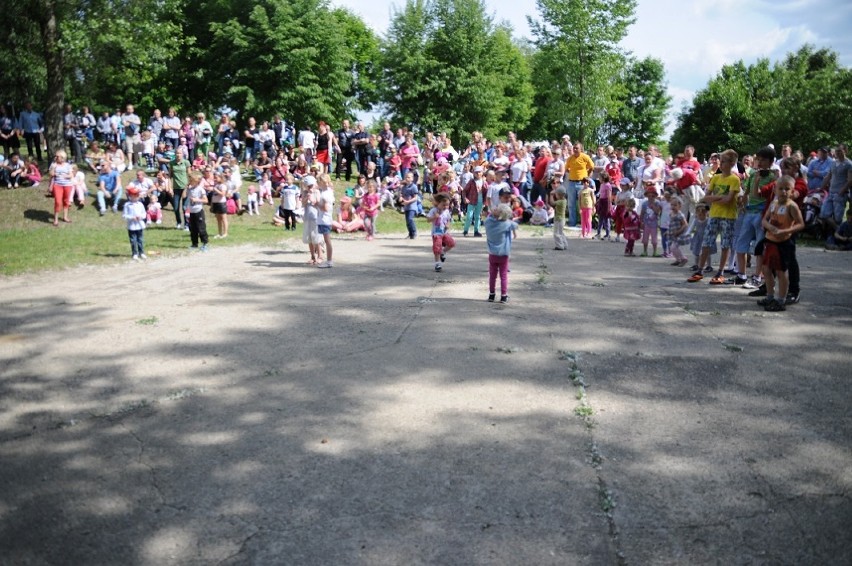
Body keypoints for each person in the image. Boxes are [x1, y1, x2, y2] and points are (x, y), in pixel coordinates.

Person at [688, 149, 741, 284]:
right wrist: (719, 197)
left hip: (728, 216)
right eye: (721, 161)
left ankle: (720, 272)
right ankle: (700, 269)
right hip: (714, 215)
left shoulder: (734, 179)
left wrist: (715, 198)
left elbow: (728, 200)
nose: (721, 164)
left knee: (725, 244)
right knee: (707, 241)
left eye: (724, 161)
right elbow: (706, 197)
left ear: (732, 163)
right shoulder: (716, 178)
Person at [757, 176, 804, 311]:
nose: (783, 192)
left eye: (787, 189)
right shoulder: (774, 203)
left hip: (783, 243)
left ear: (792, 191)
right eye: (781, 189)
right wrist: (769, 227)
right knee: (766, 269)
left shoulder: (792, 206)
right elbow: (765, 219)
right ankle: (770, 296)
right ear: (775, 190)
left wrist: (787, 230)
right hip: (770, 240)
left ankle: (781, 300)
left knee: (780, 271)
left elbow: (800, 224)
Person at [484, 203, 518, 304]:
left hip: (492, 254)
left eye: (497, 209)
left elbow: (489, 217)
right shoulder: (507, 224)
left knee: (492, 275)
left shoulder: (488, 222)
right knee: (503, 275)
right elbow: (515, 225)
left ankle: (491, 294)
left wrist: (491, 214)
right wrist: (508, 219)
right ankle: (503, 296)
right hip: (504, 254)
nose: (494, 208)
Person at [819, 144, 852, 235]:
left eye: (839, 151)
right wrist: (821, 188)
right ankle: (838, 230)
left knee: (838, 218)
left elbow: (850, 180)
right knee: (824, 213)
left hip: (841, 194)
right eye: (836, 151)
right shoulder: (833, 163)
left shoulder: (849, 164)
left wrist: (841, 192)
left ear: (845, 151)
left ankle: (838, 234)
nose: (837, 153)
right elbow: (828, 176)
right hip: (831, 192)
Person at [566, 143, 594, 227]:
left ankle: (584, 223)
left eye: (576, 148)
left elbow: (592, 167)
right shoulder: (570, 158)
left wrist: (587, 176)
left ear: (581, 149)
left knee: (584, 204)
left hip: (582, 184)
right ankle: (572, 222)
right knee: (571, 204)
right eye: (574, 148)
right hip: (571, 183)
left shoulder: (585, 157)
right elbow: (567, 169)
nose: (575, 150)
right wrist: (572, 174)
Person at [425, 193, 455, 272]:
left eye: (447, 205)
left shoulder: (446, 211)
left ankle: (443, 252)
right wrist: (434, 217)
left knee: (451, 243)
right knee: (437, 248)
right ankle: (437, 264)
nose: (445, 207)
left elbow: (448, 219)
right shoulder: (434, 210)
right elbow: (428, 220)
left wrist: (448, 224)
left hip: (444, 233)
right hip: (436, 234)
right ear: (438, 203)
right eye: (443, 205)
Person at [300, 175, 323, 264]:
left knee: (316, 238)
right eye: (308, 186)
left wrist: (313, 198)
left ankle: (320, 255)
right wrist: (306, 197)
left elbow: (317, 202)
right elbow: (303, 203)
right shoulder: (305, 193)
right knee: (309, 238)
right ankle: (312, 256)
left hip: (316, 217)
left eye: (311, 186)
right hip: (307, 217)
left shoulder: (317, 192)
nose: (310, 188)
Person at [49, 150, 75, 226]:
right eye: (56, 156)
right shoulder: (54, 165)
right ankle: (56, 219)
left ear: (62, 158)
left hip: (67, 185)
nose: (56, 158)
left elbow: (71, 175)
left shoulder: (68, 165)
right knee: (58, 202)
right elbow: (51, 175)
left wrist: (65, 176)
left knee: (66, 201)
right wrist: (53, 168)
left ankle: (65, 217)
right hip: (57, 185)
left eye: (57, 156)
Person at [122, 187, 147, 260]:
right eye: (134, 196)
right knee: (133, 240)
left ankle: (141, 252)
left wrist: (141, 217)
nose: (136, 197)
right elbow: (124, 215)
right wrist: (131, 217)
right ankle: (134, 253)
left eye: (137, 196)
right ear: (130, 196)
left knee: (140, 239)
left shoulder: (140, 204)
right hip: (131, 226)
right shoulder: (127, 205)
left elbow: (144, 214)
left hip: (139, 225)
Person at [186, 171, 209, 251]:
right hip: (191, 212)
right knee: (193, 229)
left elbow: (206, 200)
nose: (190, 181)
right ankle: (194, 244)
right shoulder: (190, 189)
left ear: (196, 181)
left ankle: (205, 243)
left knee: (201, 228)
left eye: (191, 180)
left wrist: (197, 199)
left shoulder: (200, 190)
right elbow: (185, 197)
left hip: (198, 211)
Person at [316, 173, 335, 268]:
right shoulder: (328, 192)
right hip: (323, 218)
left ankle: (329, 261)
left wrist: (316, 204)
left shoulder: (325, 194)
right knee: (323, 240)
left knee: (327, 241)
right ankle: (327, 259)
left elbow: (326, 208)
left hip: (324, 219)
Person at [668, 196, 690, 267]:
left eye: (675, 205)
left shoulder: (680, 214)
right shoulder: (671, 213)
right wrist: (668, 231)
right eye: (672, 205)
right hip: (674, 234)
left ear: (679, 206)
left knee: (674, 247)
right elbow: (671, 224)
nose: (673, 206)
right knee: (672, 247)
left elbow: (685, 224)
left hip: (679, 234)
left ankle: (683, 258)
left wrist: (679, 231)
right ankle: (678, 259)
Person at [170, 151, 189, 229]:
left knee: (184, 207)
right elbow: (169, 176)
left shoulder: (186, 162)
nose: (178, 155)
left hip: (185, 187)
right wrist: (169, 187)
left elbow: (189, 175)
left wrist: (186, 188)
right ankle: (178, 222)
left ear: (182, 154)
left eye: (180, 153)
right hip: (176, 188)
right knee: (176, 207)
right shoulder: (172, 163)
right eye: (177, 153)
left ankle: (187, 224)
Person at [400, 171, 420, 239]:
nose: (407, 178)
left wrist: (408, 202)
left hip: (412, 207)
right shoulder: (404, 187)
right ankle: (410, 234)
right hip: (406, 207)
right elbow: (402, 195)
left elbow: (415, 198)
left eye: (409, 177)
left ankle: (414, 232)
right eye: (406, 177)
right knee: (407, 221)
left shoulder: (414, 187)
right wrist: (401, 198)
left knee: (410, 219)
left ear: (412, 178)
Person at [210, 172, 230, 239]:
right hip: (216, 203)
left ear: (220, 178)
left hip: (221, 203)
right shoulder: (216, 185)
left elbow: (223, 194)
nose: (215, 179)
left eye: (216, 177)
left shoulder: (222, 185)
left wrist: (216, 190)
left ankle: (225, 233)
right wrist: (212, 204)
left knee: (224, 218)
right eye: (214, 177)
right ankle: (219, 233)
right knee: (218, 219)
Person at [548, 186, 569, 250]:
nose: (555, 195)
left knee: (556, 233)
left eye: (556, 194)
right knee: (561, 232)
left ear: (559, 195)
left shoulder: (560, 202)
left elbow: (552, 203)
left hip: (558, 219)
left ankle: (560, 246)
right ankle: (564, 244)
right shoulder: (564, 200)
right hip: (562, 219)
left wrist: (551, 195)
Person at [122, 105, 141, 170]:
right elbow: (125, 124)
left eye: (130, 109)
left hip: (136, 135)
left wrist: (130, 122)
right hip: (128, 135)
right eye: (128, 109)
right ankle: (130, 163)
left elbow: (139, 122)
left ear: (133, 109)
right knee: (129, 150)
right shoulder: (124, 116)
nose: (129, 110)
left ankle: (135, 163)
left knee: (136, 150)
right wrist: (132, 123)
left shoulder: (136, 116)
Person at [595, 171, 613, 240]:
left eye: (599, 177)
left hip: (606, 202)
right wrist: (598, 201)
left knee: (606, 219)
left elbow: (609, 196)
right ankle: (598, 233)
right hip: (601, 202)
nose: (599, 179)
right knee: (600, 219)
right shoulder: (602, 185)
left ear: (603, 178)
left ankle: (607, 234)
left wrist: (609, 206)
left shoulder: (608, 185)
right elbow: (601, 195)